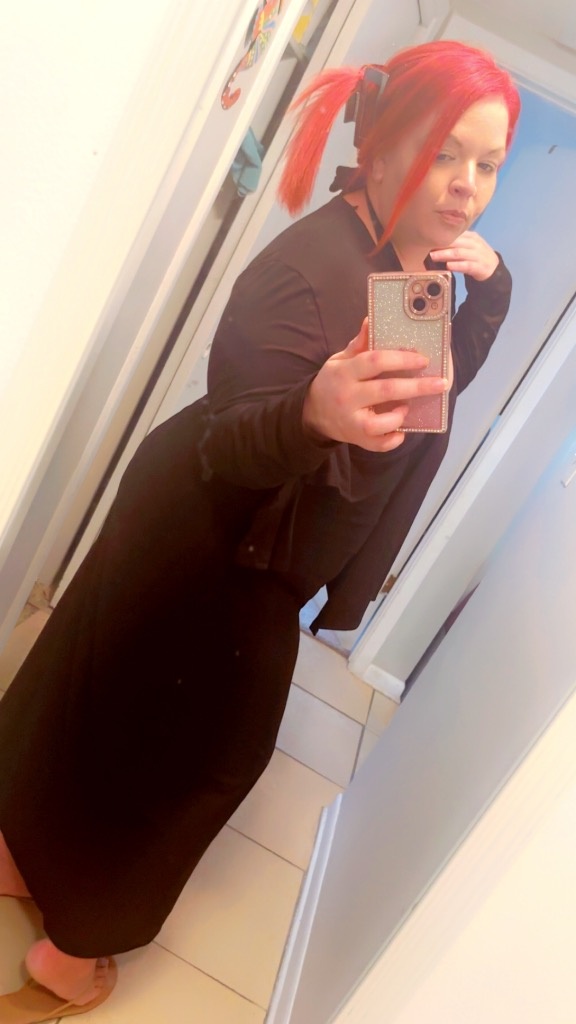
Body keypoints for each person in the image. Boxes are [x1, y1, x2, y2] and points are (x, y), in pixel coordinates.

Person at [0, 39, 520, 1021]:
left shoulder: (418, 265)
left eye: (487, 163)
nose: (467, 186)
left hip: (257, 545)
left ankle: (18, 853)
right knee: (195, 756)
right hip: (211, 538)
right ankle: (72, 954)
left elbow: (429, 402)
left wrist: (490, 290)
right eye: (445, 152)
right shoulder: (306, 270)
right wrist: (311, 415)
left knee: (111, 696)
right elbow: (237, 436)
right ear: (381, 145)